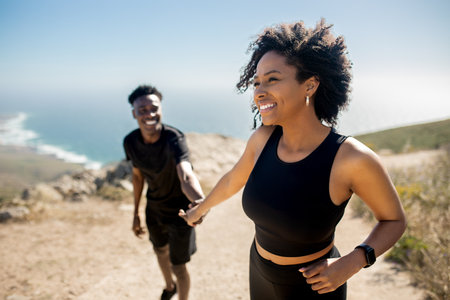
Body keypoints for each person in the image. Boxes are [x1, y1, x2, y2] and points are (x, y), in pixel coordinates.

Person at [179, 20, 406, 299]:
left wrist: (353, 262)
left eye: (272, 79)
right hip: (259, 272)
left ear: (309, 85)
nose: (260, 91)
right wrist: (200, 209)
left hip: (314, 288)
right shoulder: (263, 138)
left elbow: (394, 220)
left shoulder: (350, 158)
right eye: (257, 82)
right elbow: (233, 180)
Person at [124, 85, 204, 300]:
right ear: (134, 113)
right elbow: (138, 176)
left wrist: (199, 202)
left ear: (161, 108)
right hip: (154, 209)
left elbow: (185, 174)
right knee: (160, 252)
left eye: (154, 108)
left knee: (179, 266)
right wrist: (135, 213)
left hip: (180, 213)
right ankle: (169, 288)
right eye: (142, 110)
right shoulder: (130, 141)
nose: (149, 114)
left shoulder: (174, 139)